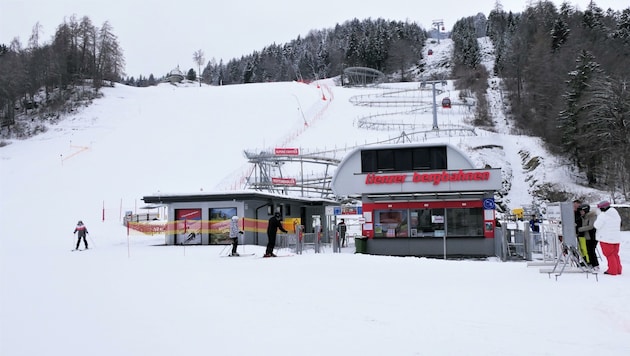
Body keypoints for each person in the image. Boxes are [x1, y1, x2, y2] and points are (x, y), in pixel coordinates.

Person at [593, 201, 622, 275]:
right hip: (616, 238)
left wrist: (598, 215)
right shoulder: (615, 214)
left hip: (606, 238)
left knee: (609, 255)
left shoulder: (603, 215)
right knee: (615, 254)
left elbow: (596, 225)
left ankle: (612, 270)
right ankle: (618, 269)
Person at [577, 204, 599, 270]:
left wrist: (580, 229)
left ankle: (595, 264)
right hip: (587, 236)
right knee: (588, 251)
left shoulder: (592, 216)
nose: (581, 212)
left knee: (592, 250)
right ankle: (590, 263)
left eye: (582, 211)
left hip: (592, 236)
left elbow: (591, 226)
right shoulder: (583, 217)